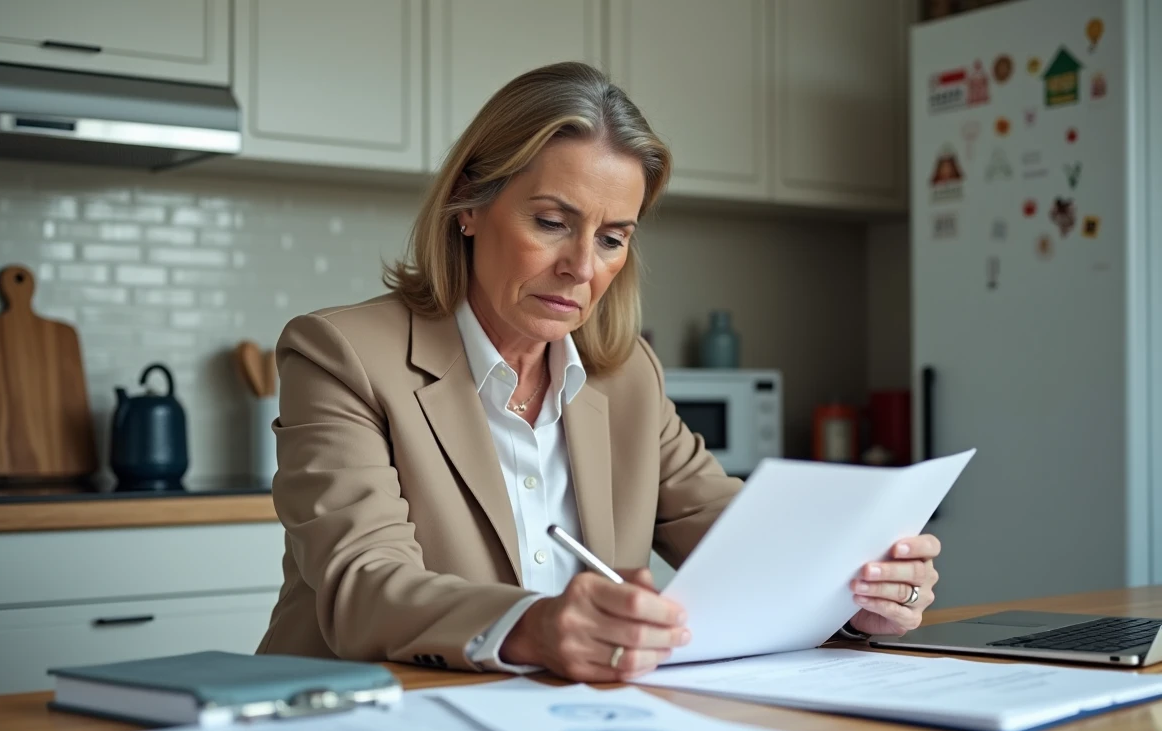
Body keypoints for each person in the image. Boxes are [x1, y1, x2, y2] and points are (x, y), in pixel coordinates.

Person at [256, 61, 941, 682]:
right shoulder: (341, 353)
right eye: (552, 222)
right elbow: (364, 585)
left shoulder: (627, 375)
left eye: (612, 238)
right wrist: (534, 627)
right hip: (360, 723)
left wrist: (853, 592)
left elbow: (735, 538)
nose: (582, 268)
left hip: (569, 727)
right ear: (469, 205)